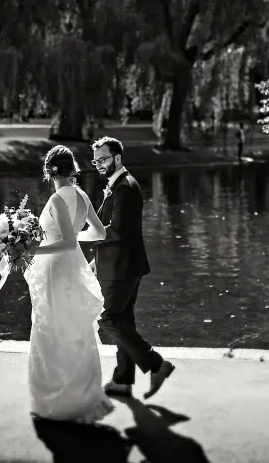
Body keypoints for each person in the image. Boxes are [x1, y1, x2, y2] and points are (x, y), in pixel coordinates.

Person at [24, 145, 114, 422]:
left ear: (49, 171)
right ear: (71, 169)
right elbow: (97, 233)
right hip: (71, 269)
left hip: (56, 272)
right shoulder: (82, 195)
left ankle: (57, 402)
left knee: (51, 328)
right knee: (75, 328)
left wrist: (33, 250)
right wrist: (72, 236)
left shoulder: (55, 200)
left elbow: (66, 242)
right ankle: (84, 396)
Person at [87, 136, 175, 400]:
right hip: (121, 265)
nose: (99, 164)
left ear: (117, 158)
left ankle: (157, 365)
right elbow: (115, 232)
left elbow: (115, 231)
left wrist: (81, 237)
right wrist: (96, 259)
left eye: (103, 159)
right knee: (123, 320)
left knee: (108, 320)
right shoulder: (120, 185)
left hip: (121, 269)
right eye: (96, 160)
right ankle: (123, 380)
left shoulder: (125, 187)